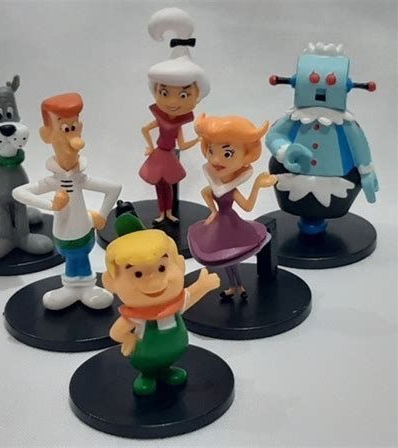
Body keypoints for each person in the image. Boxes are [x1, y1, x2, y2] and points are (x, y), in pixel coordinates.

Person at [12, 93, 121, 310]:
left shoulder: (80, 178)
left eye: (74, 127)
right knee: (73, 258)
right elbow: (19, 192)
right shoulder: (54, 181)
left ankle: (84, 287)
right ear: (47, 135)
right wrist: (51, 205)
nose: (74, 138)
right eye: (65, 128)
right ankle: (74, 288)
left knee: (80, 257)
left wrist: (102, 214)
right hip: (64, 234)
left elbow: (114, 188)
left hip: (84, 230)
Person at [103, 227, 219, 395]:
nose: (153, 281)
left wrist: (203, 286)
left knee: (167, 363)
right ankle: (147, 375)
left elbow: (190, 297)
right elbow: (116, 332)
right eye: (138, 274)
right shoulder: (135, 316)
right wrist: (128, 338)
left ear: (180, 265)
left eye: (162, 268)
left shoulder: (175, 304)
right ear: (111, 283)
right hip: (145, 354)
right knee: (147, 366)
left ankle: (166, 370)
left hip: (174, 349)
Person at [188, 114, 277, 300]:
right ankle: (233, 286)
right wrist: (213, 211)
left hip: (232, 225)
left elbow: (248, 207)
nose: (216, 160)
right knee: (225, 258)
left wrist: (257, 185)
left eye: (227, 153)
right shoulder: (215, 184)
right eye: (211, 151)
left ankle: (239, 286)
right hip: (219, 225)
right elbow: (206, 192)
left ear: (247, 156)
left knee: (233, 256)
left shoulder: (232, 190)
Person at [139, 7, 210, 224]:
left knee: (168, 184)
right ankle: (161, 213)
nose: (172, 102)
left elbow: (182, 143)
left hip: (169, 155)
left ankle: (169, 212)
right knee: (158, 184)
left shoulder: (179, 121)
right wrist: (149, 146)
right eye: (164, 92)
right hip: (159, 153)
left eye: (183, 94)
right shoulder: (159, 117)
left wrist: (198, 139)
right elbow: (145, 129)